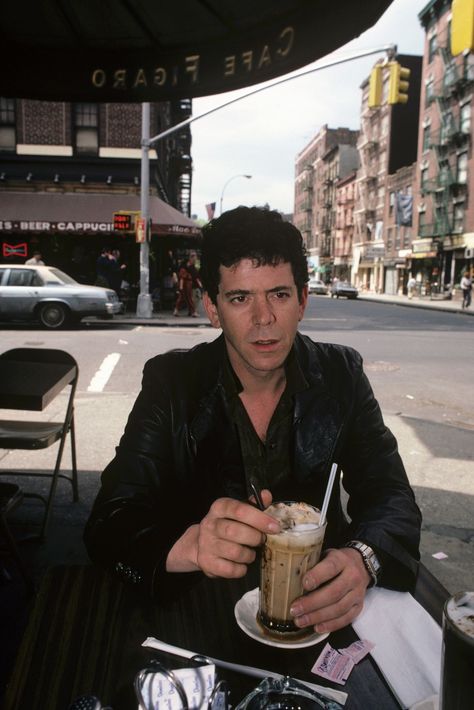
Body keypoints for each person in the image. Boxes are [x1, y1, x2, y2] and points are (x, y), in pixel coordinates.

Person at [84, 206, 421, 635]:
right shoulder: (173, 383)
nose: (263, 319)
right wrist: (187, 546)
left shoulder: (341, 375)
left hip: (314, 613)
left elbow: (391, 494)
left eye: (278, 295)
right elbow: (109, 521)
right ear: (212, 308)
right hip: (199, 613)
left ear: (302, 301)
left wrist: (362, 559)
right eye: (240, 298)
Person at [173, 251, 202, 317]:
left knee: (184, 298)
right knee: (187, 298)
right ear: (190, 258)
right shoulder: (185, 266)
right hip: (186, 284)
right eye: (194, 258)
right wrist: (180, 287)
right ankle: (193, 312)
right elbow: (182, 277)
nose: (195, 260)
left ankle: (182, 311)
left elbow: (196, 277)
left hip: (188, 284)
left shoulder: (192, 266)